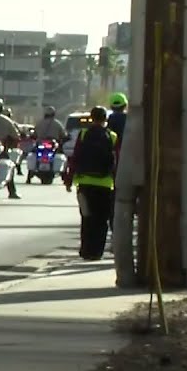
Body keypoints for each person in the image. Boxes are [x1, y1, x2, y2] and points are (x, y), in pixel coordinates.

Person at [63, 106, 118, 260]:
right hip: (106, 185)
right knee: (102, 220)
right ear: (105, 119)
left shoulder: (84, 134)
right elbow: (116, 161)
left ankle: (86, 250)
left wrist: (69, 179)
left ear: (92, 118)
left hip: (85, 184)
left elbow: (75, 157)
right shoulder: (112, 136)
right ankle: (97, 252)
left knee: (87, 218)